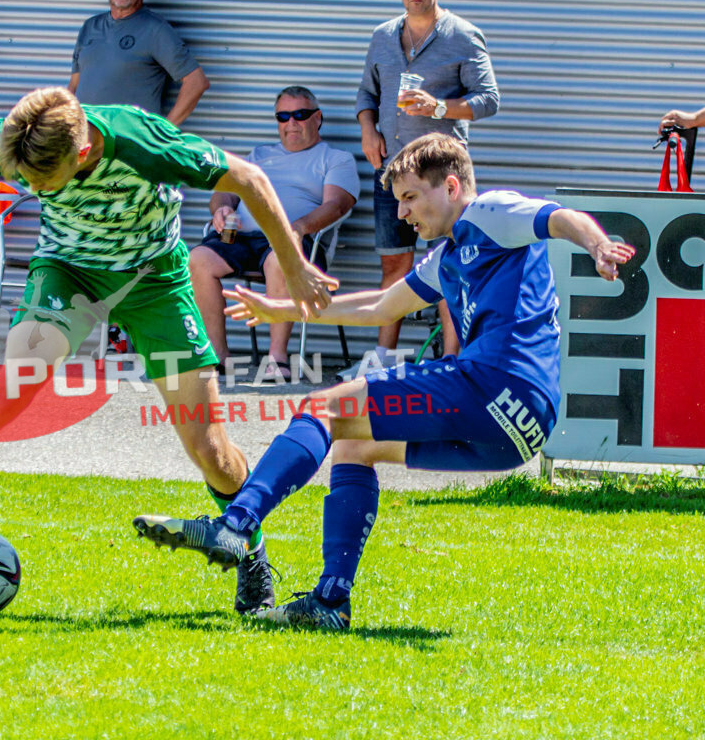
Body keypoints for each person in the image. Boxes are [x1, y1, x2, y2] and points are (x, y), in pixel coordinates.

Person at [0, 86, 337, 614]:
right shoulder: (20, 135)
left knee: (208, 445)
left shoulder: (146, 144)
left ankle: (250, 548)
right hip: (66, 274)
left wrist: (293, 266)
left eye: (45, 183)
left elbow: (250, 178)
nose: (38, 191)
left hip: (154, 284)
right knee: (14, 382)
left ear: (85, 150)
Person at [134, 132, 635, 630]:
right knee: (356, 446)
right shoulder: (448, 258)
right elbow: (379, 306)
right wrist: (279, 307)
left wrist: (597, 245)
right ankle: (331, 602)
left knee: (321, 410)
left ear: (453, 186)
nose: (402, 214)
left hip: (494, 386)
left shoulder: (490, 212)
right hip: (520, 431)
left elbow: (558, 217)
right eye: (399, 202)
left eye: (411, 198)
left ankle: (236, 523)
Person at [355, 0, 498, 367]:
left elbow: (489, 100)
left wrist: (438, 108)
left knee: (450, 265)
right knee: (395, 263)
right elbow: (367, 92)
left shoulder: (463, 35)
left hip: (440, 177)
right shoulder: (383, 35)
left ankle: (452, 361)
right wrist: (368, 130)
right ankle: (384, 358)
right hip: (391, 169)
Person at [189, 86, 358, 380]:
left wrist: (298, 227)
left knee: (280, 259)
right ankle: (217, 357)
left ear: (317, 118)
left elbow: (337, 205)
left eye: (300, 115)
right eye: (283, 116)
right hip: (241, 237)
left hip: (293, 241)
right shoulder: (258, 155)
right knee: (198, 260)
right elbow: (225, 192)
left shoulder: (335, 158)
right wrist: (222, 209)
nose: (291, 123)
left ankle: (277, 358)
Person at [68, 0, 209, 127]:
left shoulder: (156, 30)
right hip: (87, 142)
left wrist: (164, 133)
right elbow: (74, 85)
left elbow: (196, 82)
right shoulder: (89, 27)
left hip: (129, 145)